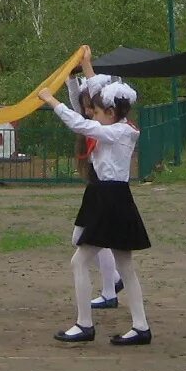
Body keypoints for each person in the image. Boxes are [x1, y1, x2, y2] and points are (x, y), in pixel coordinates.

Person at [38, 54, 153, 346]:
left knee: (80, 262)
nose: (94, 114)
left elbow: (82, 125)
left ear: (111, 113)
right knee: (125, 265)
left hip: (110, 198)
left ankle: (84, 324)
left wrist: (52, 101)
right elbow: (96, 98)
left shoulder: (117, 131)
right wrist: (87, 64)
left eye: (98, 111)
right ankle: (140, 326)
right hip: (114, 197)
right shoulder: (120, 124)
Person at [67, 66, 122, 310]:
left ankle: (112, 286)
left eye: (93, 107)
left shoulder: (104, 126)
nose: (88, 111)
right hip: (95, 184)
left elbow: (98, 93)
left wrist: (88, 68)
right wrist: (70, 78)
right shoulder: (90, 119)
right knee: (91, 240)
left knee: (89, 240)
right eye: (87, 107)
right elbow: (76, 103)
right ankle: (112, 285)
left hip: (104, 186)